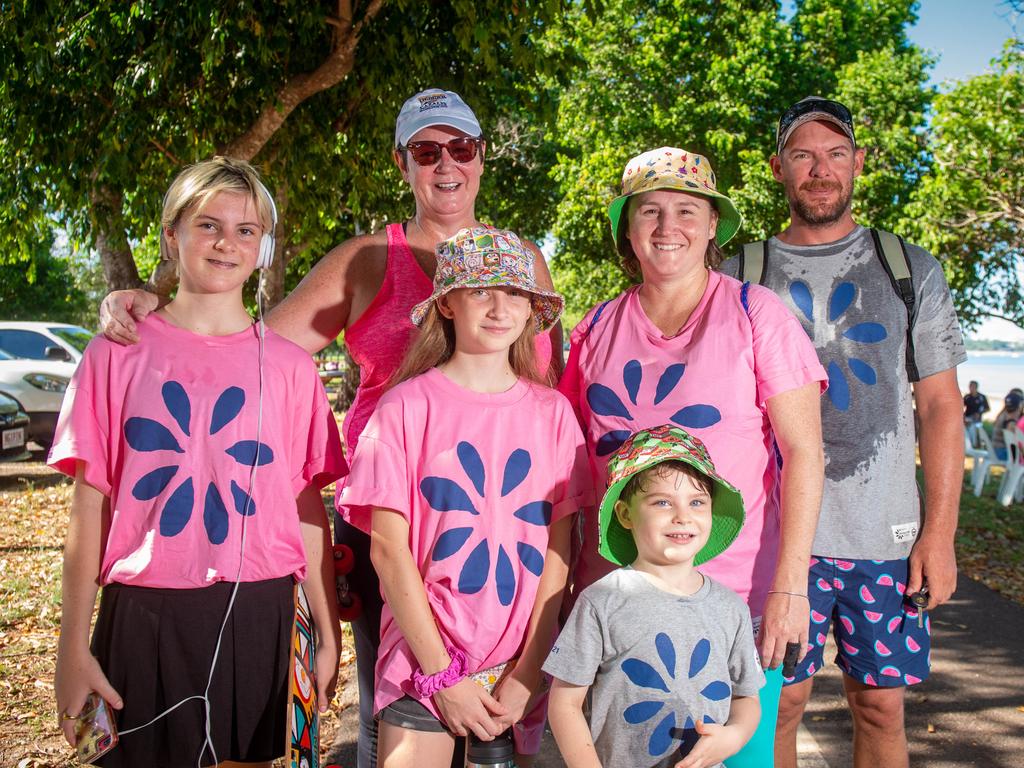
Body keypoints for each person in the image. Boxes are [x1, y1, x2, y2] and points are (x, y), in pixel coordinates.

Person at [97, 88, 562, 768]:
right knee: (399, 701)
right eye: (426, 151)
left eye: (460, 148)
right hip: (389, 522)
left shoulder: (520, 260)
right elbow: (247, 348)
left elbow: (544, 389)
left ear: (482, 158)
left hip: (503, 516)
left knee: (500, 714)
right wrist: (158, 305)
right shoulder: (367, 259)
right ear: (403, 162)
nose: (446, 166)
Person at [51, 157, 346, 766]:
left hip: (262, 613)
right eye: (207, 224)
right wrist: (70, 649)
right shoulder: (117, 353)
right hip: (145, 614)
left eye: (246, 230)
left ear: (263, 246)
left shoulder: (290, 368)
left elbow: (305, 507)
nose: (226, 243)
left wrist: (326, 625)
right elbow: (90, 507)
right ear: (171, 234)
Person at [558, 147, 826, 767]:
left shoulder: (756, 314)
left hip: (732, 603)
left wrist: (792, 587)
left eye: (686, 210)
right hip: (615, 604)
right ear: (627, 228)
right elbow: (573, 475)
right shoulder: (595, 329)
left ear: (713, 227)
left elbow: (805, 453)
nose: (666, 226)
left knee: (733, 756)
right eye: (648, 211)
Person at [719, 96, 966, 768]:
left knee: (880, 706)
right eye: (803, 154)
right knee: (773, 707)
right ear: (779, 168)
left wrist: (938, 535)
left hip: (881, 534)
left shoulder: (910, 269)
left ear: (858, 163)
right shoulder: (738, 274)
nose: (820, 169)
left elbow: (941, 408)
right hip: (768, 539)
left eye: (835, 154)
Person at [338, 227, 588, 768]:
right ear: (447, 304)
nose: (500, 307)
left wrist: (528, 671)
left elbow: (559, 554)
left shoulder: (554, 416)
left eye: (516, 293)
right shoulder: (405, 408)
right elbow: (388, 550)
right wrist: (441, 675)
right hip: (421, 662)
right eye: (481, 291)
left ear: (531, 311)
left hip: (515, 672)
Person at [546, 425, 764, 768]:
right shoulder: (601, 601)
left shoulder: (731, 608)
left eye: (696, 502)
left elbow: (747, 697)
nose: (683, 516)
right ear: (625, 514)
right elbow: (564, 703)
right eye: (662, 502)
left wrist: (734, 735)